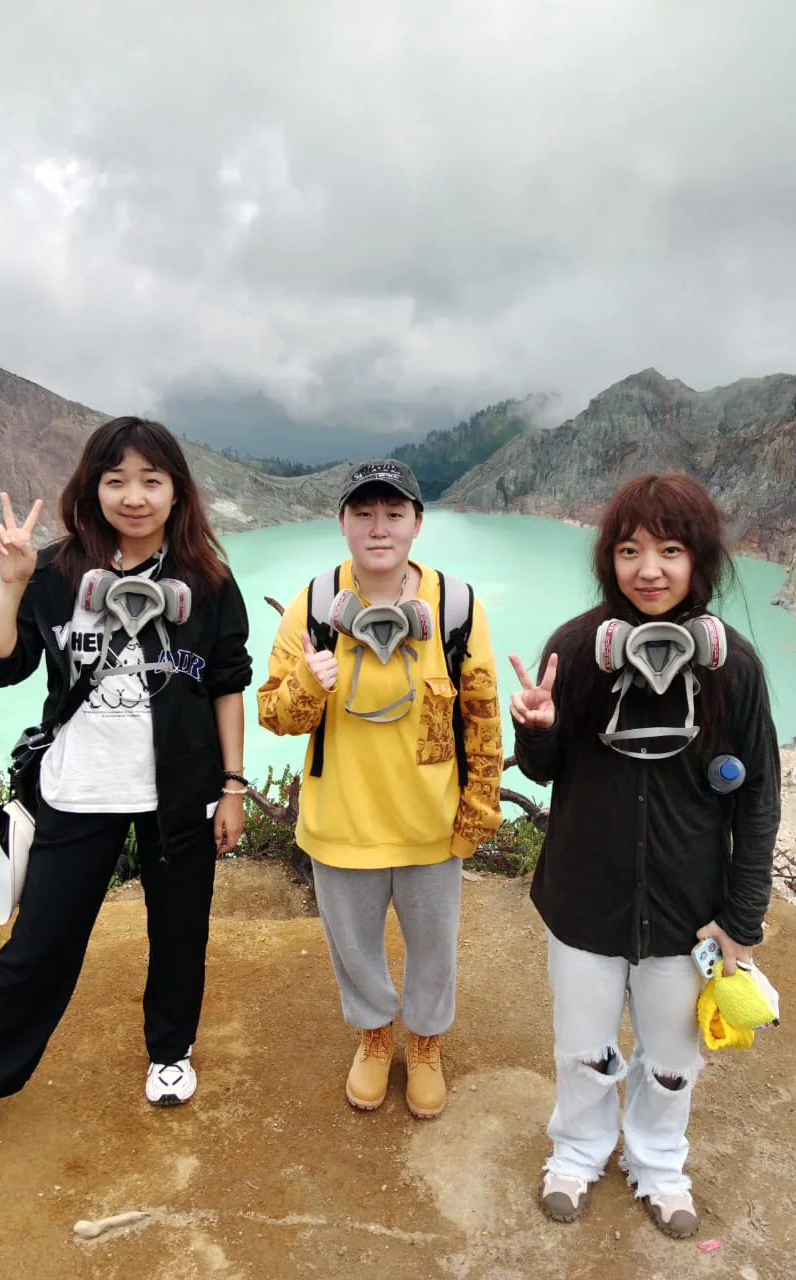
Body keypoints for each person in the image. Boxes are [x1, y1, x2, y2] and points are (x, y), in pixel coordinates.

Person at [0, 417, 252, 1167]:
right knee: (39, 946)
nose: (133, 496)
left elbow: (227, 684)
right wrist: (10, 584)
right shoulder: (54, 572)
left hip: (179, 792)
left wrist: (234, 785)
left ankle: (169, 1050)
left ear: (177, 492)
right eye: (116, 480)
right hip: (77, 789)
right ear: (93, 488)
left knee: (180, 930)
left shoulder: (207, 580)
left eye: (151, 480)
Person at [509, 473, 780, 1239]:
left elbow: (759, 797)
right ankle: (578, 1151)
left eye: (670, 550)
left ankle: (658, 1163)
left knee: (671, 1060)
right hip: (583, 899)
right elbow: (545, 771)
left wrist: (742, 919)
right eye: (629, 551)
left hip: (688, 911)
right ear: (609, 559)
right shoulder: (576, 649)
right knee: (584, 1050)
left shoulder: (733, 667)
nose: (649, 570)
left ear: (699, 560)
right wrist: (536, 727)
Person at [258, 459, 503, 1118]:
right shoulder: (314, 606)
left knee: (434, 949)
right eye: (363, 513)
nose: (378, 528)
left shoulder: (456, 607)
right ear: (342, 522)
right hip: (342, 823)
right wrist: (308, 683)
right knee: (354, 949)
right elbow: (273, 714)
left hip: (431, 824)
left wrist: (479, 807)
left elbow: (481, 713)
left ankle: (424, 1043)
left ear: (417, 524)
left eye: (394, 514)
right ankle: (373, 1036)